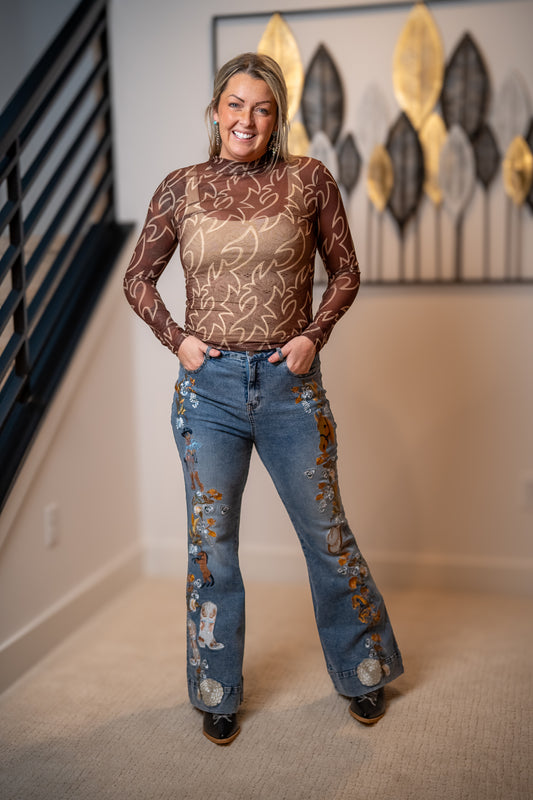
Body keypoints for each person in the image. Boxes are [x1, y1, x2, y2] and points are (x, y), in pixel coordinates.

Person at [124, 52, 403, 745]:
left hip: (288, 387)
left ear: (276, 118)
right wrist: (178, 341)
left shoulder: (308, 178)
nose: (247, 119)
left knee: (327, 536)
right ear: (215, 109)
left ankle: (364, 670)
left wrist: (314, 335)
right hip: (207, 394)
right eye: (236, 104)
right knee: (211, 548)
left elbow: (345, 271)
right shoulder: (178, 187)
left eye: (263, 107)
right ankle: (216, 690)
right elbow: (138, 279)